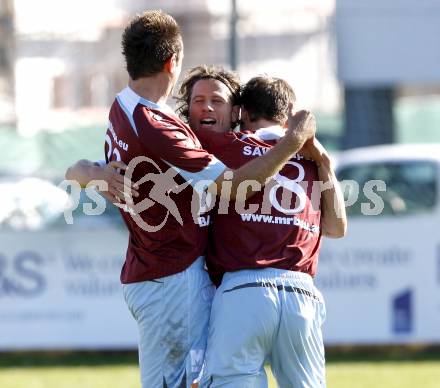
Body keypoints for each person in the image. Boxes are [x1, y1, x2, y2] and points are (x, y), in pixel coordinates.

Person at [64, 11, 316, 388]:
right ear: (172, 61)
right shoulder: (158, 128)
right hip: (171, 278)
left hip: (163, 273)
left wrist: (91, 172)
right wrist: (294, 141)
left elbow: (75, 170)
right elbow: (234, 185)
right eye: (200, 99)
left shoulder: (125, 106)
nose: (206, 107)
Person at [187, 75, 346, 388]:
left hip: (243, 290)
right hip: (302, 294)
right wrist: (324, 158)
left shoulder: (223, 145)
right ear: (289, 115)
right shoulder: (312, 159)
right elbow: (337, 228)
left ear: (242, 113)